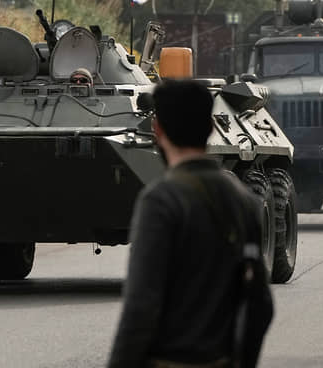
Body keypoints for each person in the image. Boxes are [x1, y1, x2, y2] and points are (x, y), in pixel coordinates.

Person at [108, 80, 273, 368]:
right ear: (211, 127)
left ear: (157, 130)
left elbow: (141, 306)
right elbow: (261, 305)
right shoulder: (244, 201)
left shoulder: (161, 200)